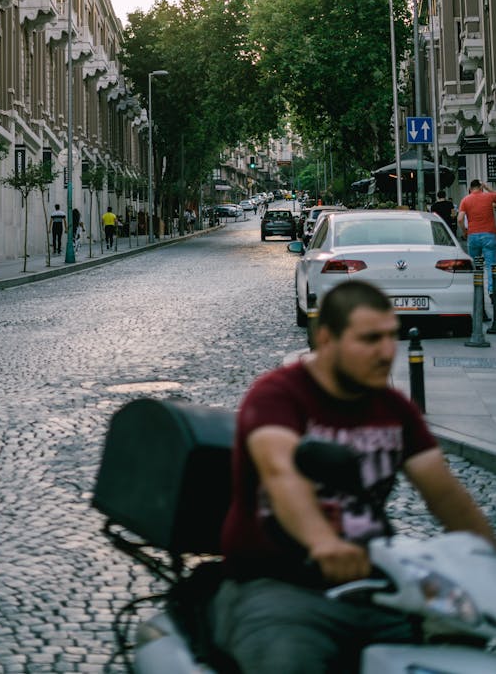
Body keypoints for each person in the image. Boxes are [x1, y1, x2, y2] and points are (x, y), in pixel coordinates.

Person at [210, 280, 495, 674]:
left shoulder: (392, 407)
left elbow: (445, 494)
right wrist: (322, 542)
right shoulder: (278, 396)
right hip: (278, 586)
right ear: (327, 338)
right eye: (370, 339)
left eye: (391, 336)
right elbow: (282, 474)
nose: (385, 352)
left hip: (378, 585)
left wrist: (489, 561)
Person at [457, 178, 496, 308]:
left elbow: (460, 218)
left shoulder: (465, 200)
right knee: (491, 266)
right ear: (480, 187)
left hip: (473, 236)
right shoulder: (489, 196)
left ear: (470, 188)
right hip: (489, 235)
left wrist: (464, 231)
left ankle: (476, 294)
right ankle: (492, 291)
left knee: (475, 267)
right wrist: (487, 187)